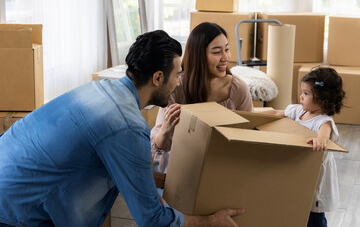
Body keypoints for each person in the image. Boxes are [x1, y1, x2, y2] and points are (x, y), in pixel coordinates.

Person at [0, 30, 245, 227]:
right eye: (177, 75)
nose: (178, 82)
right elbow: (152, 220)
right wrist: (210, 221)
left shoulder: (98, 90)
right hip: (12, 210)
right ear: (158, 78)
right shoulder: (127, 126)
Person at [151, 22, 253, 173]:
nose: (225, 57)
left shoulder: (238, 89)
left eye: (227, 49)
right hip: (180, 170)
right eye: (217, 52)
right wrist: (166, 129)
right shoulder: (176, 86)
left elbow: (249, 138)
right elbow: (158, 146)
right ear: (199, 55)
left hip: (223, 168)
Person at [263, 67, 345, 227]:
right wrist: (251, 115)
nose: (301, 97)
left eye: (306, 94)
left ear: (323, 99)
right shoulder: (298, 111)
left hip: (315, 177)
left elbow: (324, 132)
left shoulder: (323, 121)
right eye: (302, 92)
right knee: (296, 208)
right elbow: (277, 113)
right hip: (298, 170)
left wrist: (320, 140)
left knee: (313, 217)